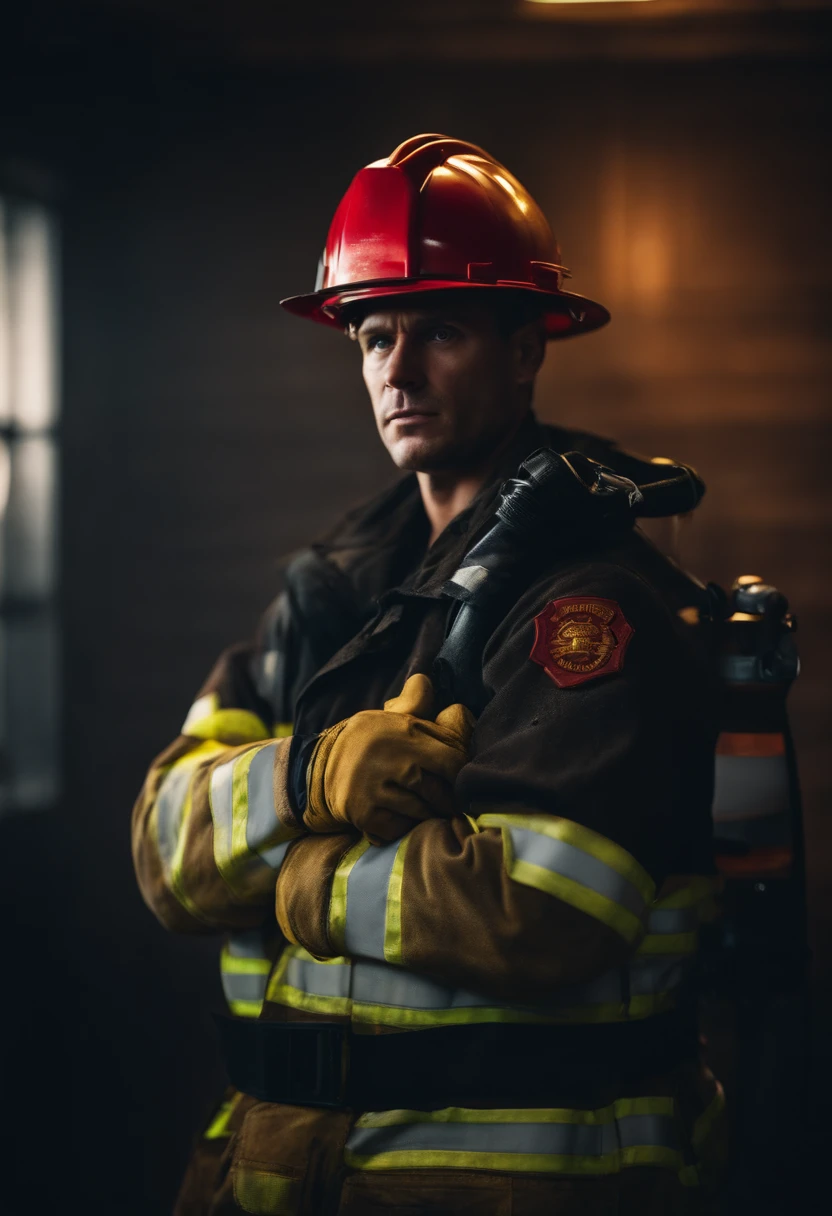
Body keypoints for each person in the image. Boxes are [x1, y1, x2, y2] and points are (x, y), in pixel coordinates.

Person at [132, 134, 726, 1216]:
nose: (397, 372)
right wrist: (310, 778)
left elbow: (541, 904)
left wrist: (291, 874)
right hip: (278, 1175)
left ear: (524, 347)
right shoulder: (326, 599)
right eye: (372, 337)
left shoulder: (587, 606)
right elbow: (162, 849)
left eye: (439, 331)